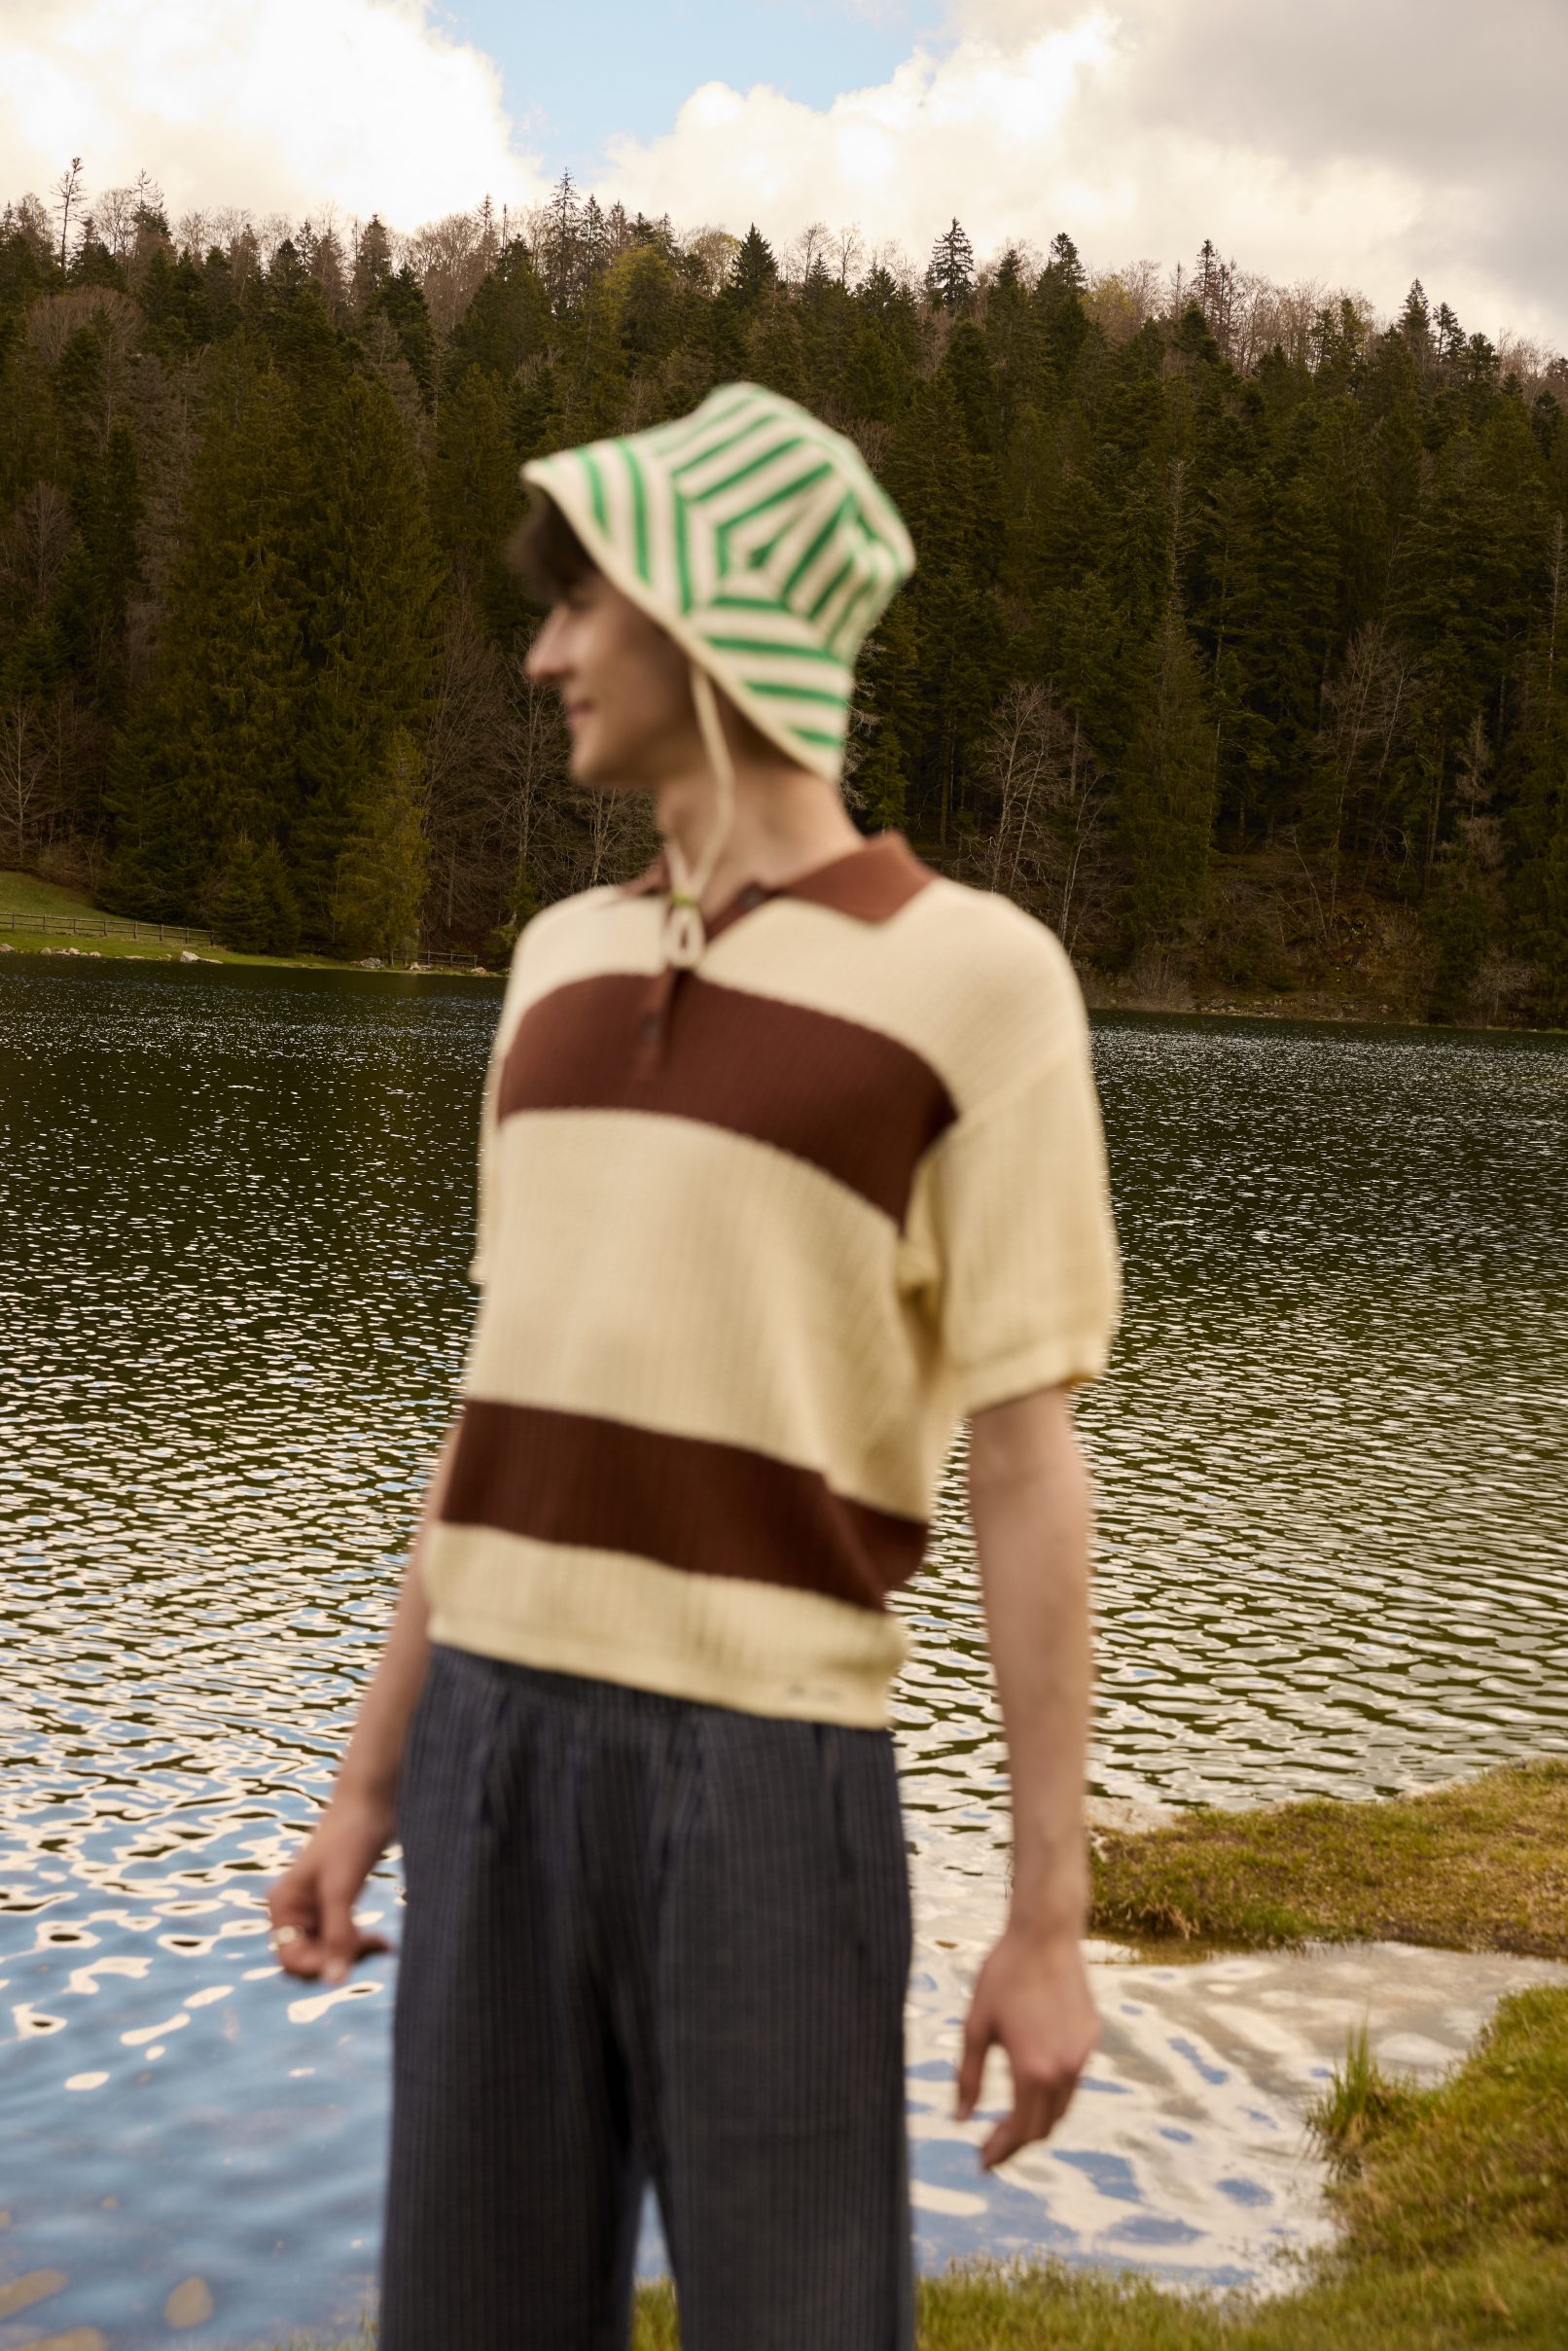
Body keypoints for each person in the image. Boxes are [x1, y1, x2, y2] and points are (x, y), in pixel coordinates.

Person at [268, 382, 1121, 2351]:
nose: (545, 651)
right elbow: (498, 1412)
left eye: (585, 604)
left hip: (765, 1782)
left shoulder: (979, 983)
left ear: (711, 622)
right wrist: (368, 1780)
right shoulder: (554, 963)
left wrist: (1046, 1917)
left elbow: (1026, 1468)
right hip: (486, 1758)